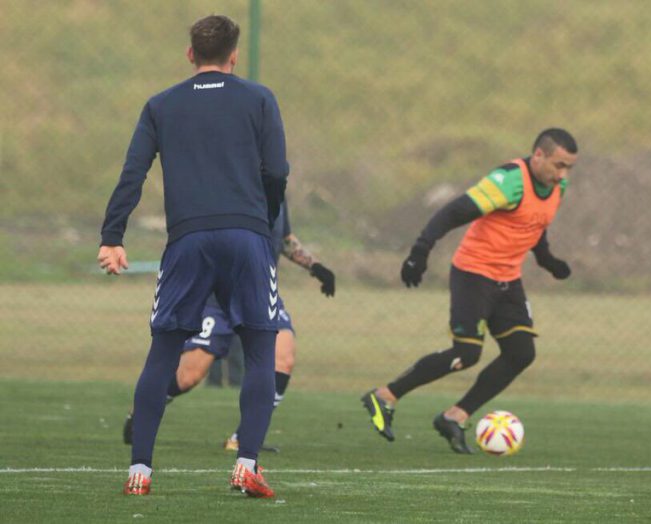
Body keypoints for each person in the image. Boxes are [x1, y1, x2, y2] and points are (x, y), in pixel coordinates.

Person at [98, 14, 288, 497]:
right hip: (247, 237)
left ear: (190, 55)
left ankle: (139, 473)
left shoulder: (161, 105)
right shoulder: (259, 98)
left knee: (163, 350)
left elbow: (133, 172)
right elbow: (278, 172)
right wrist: (260, 221)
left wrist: (112, 236)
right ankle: (246, 465)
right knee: (261, 347)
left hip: (187, 240)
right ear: (234, 55)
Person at [361, 129, 577, 453]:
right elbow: (453, 212)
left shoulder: (557, 186)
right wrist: (420, 251)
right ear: (539, 156)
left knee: (521, 353)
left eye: (569, 168)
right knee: (466, 353)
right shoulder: (508, 181)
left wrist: (548, 261)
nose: (563, 174)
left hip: (508, 279)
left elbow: (534, 225)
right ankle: (384, 396)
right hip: (474, 274)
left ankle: (454, 416)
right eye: (559, 165)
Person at [121, 200, 335, 455]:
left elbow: (284, 237)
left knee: (284, 358)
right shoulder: (235, 182)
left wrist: (315, 266)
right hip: (218, 292)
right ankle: (142, 410)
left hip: (260, 288)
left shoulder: (277, 187)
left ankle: (242, 437)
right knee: (189, 375)